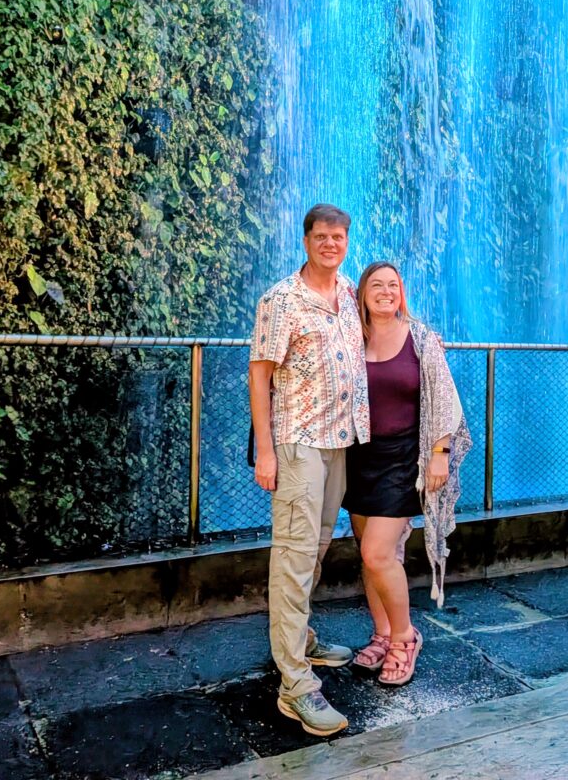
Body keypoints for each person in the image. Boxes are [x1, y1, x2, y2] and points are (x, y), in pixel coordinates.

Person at [249, 203, 370, 737]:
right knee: (295, 554)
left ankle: (300, 640)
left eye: (338, 237)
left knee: (316, 544)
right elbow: (259, 377)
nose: (330, 244)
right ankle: (294, 685)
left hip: (338, 443)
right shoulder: (280, 300)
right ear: (306, 240)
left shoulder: (347, 294)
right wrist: (267, 452)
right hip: (297, 444)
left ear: (346, 241)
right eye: (321, 236)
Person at [343, 261, 471, 686]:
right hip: (359, 456)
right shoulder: (351, 338)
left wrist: (440, 452)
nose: (385, 291)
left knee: (378, 552)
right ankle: (381, 633)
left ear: (402, 292)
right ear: (361, 294)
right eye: (376, 285)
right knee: (369, 552)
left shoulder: (421, 339)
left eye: (392, 285)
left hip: (403, 459)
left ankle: (404, 637)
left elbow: (445, 399)